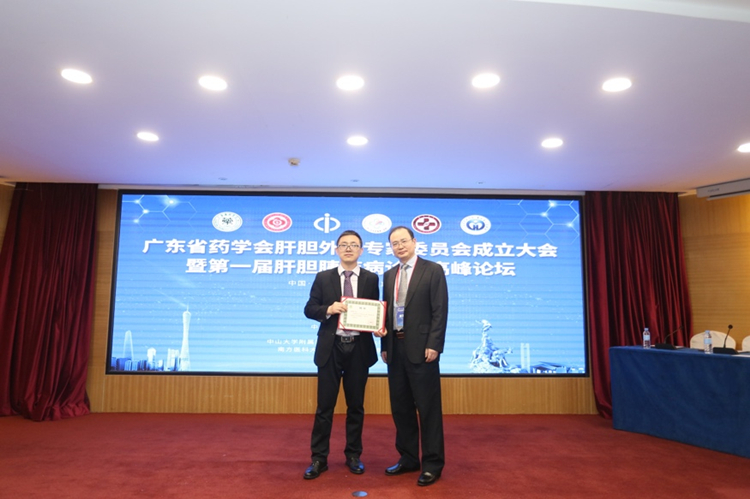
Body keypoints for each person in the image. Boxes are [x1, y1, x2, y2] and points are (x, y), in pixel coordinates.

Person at [302, 229, 382, 479]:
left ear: (361, 250)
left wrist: (378, 325)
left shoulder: (371, 278)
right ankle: (318, 459)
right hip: (331, 348)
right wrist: (329, 309)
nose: (348, 248)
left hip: (359, 348)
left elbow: (375, 310)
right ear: (336, 250)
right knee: (324, 406)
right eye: (344, 244)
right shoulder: (323, 277)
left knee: (356, 406)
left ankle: (353, 455)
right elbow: (309, 309)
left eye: (354, 245)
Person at [380, 225, 448, 486]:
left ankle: (432, 464)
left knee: (428, 409)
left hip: (423, 349)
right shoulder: (389, 275)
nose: (400, 246)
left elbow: (440, 310)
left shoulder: (432, 270)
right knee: (401, 408)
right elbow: (387, 313)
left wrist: (434, 344)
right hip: (395, 349)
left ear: (414, 241)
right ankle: (408, 458)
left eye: (403, 241)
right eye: (394, 243)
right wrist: (384, 345)